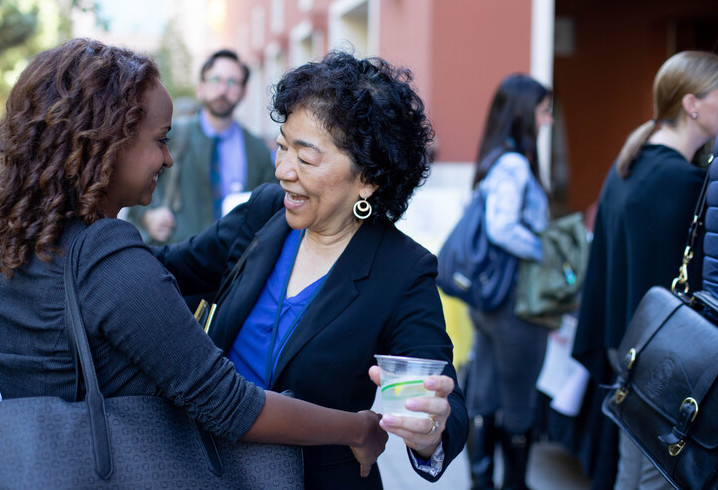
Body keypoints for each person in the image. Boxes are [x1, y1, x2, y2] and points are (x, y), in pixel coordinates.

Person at [0, 37, 388, 479]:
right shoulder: (106, 259)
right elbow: (230, 406)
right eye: (160, 140)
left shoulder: (18, 237)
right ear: (108, 142)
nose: (167, 159)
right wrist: (357, 428)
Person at [153, 50, 469, 489]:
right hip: (210, 471)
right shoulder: (266, 210)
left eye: (305, 157)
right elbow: (170, 268)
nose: (283, 171)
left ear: (368, 178)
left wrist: (430, 433)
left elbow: (441, 398)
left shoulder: (403, 269)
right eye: (282, 147)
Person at [573, 50, 718, 490]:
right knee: (660, 478)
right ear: (692, 104)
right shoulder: (683, 182)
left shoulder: (631, 163)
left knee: (631, 471)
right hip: (666, 355)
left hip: (629, 343)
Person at [461, 74, 553, 490]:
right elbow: (502, 228)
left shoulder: (493, 158)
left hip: (489, 301)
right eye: (544, 111)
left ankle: (483, 482)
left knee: (485, 392)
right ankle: (513, 484)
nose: (548, 120)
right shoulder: (514, 163)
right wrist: (544, 249)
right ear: (524, 113)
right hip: (514, 302)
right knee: (518, 400)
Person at [126, 48, 276, 245]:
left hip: (232, 265)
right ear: (201, 88)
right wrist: (148, 217)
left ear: (244, 92)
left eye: (232, 82)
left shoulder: (258, 150)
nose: (222, 90)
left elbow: (272, 211)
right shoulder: (169, 136)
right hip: (175, 261)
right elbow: (130, 186)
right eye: (215, 80)